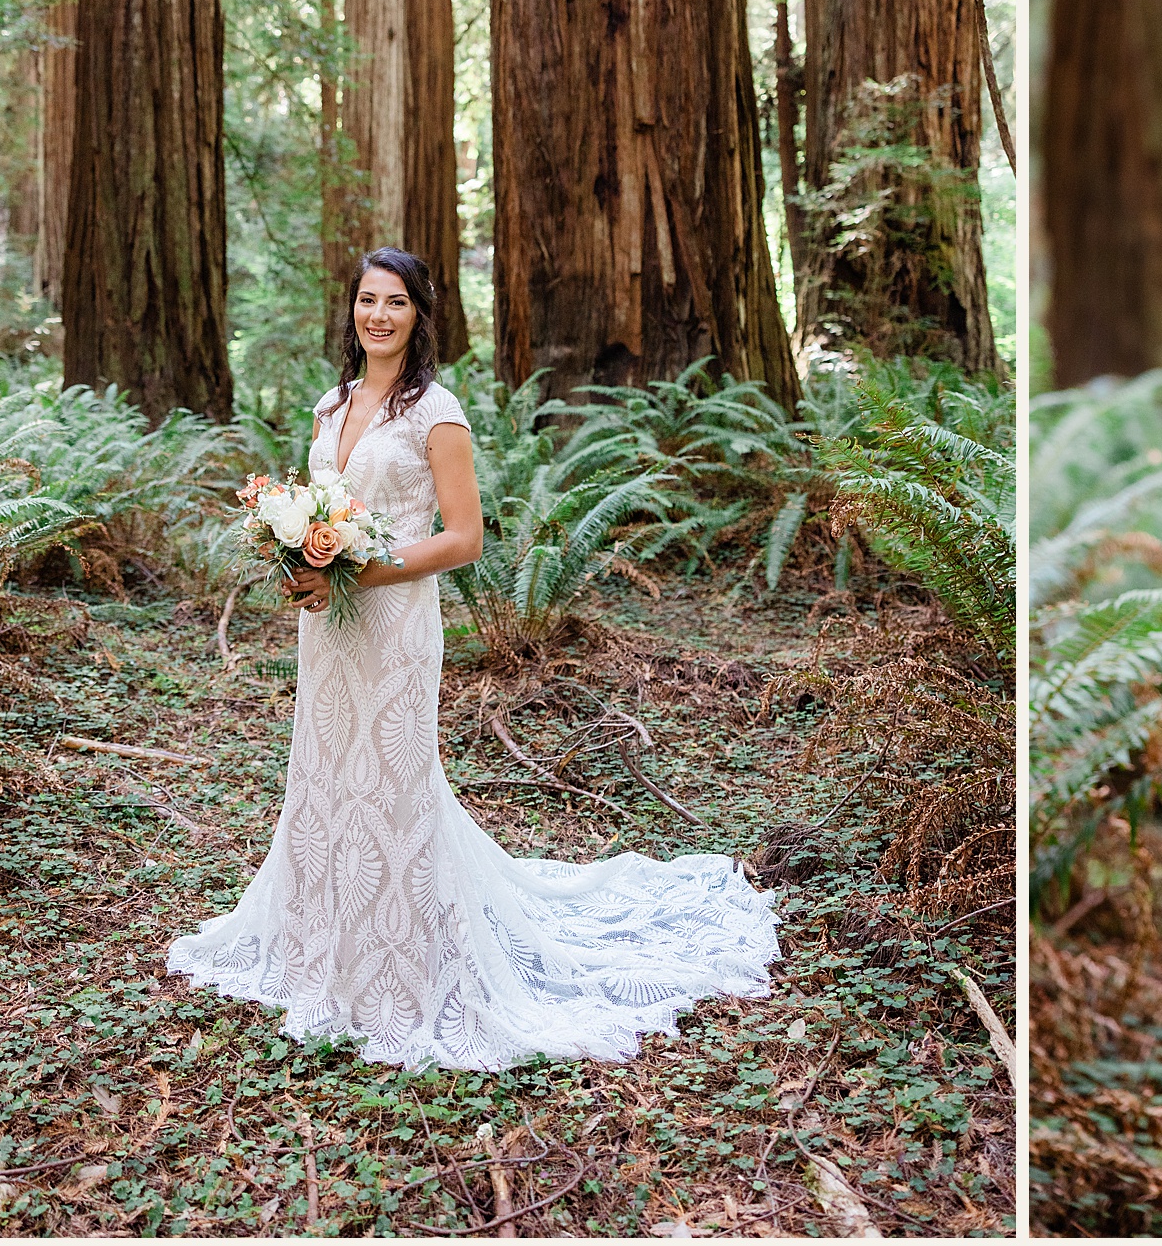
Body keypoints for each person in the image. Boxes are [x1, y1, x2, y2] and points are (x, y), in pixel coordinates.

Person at [168, 247, 779, 1071]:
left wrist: (364, 568)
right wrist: (303, 572)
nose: (377, 315)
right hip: (330, 628)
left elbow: (465, 536)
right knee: (329, 772)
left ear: (419, 316)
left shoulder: (435, 412)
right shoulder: (330, 404)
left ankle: (399, 962)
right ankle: (327, 948)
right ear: (351, 310)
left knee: (392, 779)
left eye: (395, 303)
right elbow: (319, 508)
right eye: (366, 300)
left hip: (395, 621)